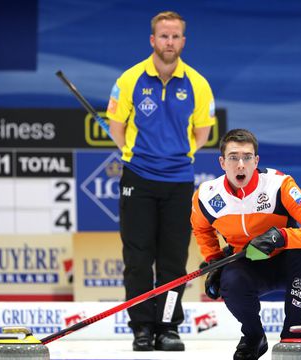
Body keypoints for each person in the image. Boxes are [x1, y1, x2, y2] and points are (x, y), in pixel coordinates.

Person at [105, 11, 216, 352]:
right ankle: (141, 327)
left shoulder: (198, 83)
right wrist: (135, 154)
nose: (170, 42)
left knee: (172, 261)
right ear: (152, 40)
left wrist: (174, 157)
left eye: (175, 36)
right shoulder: (129, 80)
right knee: (137, 258)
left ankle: (167, 327)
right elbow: (116, 126)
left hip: (179, 181)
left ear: (183, 41)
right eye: (163, 36)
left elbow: (203, 133)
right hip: (138, 177)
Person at [191, 129, 301, 360]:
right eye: (233, 157)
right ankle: (253, 337)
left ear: (256, 161)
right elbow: (201, 228)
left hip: (288, 261)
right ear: (222, 162)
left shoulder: (280, 185)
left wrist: (282, 236)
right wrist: (214, 260)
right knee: (231, 281)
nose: (241, 165)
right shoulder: (207, 196)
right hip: (248, 262)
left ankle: (293, 334)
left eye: (247, 157)